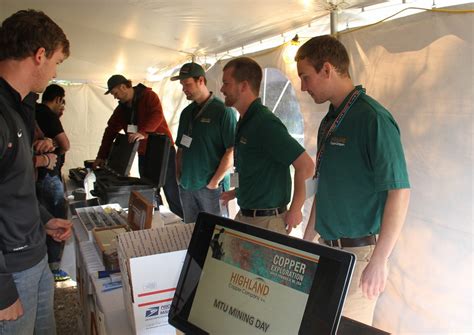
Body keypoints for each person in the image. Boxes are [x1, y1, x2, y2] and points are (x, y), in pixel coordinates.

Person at [295, 35, 410, 325]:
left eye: (305, 77)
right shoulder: (328, 122)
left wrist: (379, 260)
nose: (302, 86)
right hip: (327, 249)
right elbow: (323, 187)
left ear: (327, 69)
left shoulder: (373, 118)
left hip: (359, 255)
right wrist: (306, 242)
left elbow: (399, 191)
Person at [0, 9, 73, 334]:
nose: (55, 70)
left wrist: (43, 219)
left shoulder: (20, 106)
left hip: (34, 257)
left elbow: (13, 186)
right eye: (57, 61)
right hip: (11, 271)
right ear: (40, 55)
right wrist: (2, 289)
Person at [220, 57, 314, 235]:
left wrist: (295, 209)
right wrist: (236, 191)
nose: (222, 89)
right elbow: (245, 165)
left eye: (226, 83)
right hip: (246, 215)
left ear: (244, 86)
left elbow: (306, 166)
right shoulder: (244, 121)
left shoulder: (264, 123)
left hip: (266, 221)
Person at [93, 75, 183, 218]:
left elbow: (157, 115)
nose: (115, 97)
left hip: (163, 152)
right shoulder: (121, 109)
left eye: (115, 93)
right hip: (143, 152)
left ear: (124, 87)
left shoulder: (149, 96)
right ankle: (158, 220)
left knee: (171, 190)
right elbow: (110, 130)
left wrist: (143, 132)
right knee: (149, 190)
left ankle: (180, 223)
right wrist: (101, 156)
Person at [172, 62, 237, 223]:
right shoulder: (186, 113)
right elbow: (180, 148)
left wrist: (214, 183)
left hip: (210, 187)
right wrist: (178, 176)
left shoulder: (223, 111)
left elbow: (232, 151)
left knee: (215, 235)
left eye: (187, 84)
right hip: (186, 185)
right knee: (190, 232)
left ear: (201, 80)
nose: (184, 89)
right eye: (182, 85)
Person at [36, 84, 71, 282]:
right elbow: (66, 144)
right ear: (58, 99)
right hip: (48, 176)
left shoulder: (35, 112)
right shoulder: (47, 114)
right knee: (55, 217)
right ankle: (55, 266)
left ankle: (48, 264)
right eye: (62, 102)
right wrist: (52, 156)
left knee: (44, 215)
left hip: (38, 177)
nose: (62, 107)